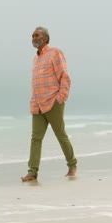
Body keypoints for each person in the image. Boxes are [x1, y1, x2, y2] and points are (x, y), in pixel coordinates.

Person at [21, 26, 78, 182]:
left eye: (37, 35)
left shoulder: (55, 52)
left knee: (60, 134)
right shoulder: (36, 59)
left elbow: (64, 76)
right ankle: (32, 172)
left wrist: (61, 98)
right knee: (36, 138)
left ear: (45, 38)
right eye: (32, 36)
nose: (34, 38)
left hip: (53, 102)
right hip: (37, 104)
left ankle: (72, 165)